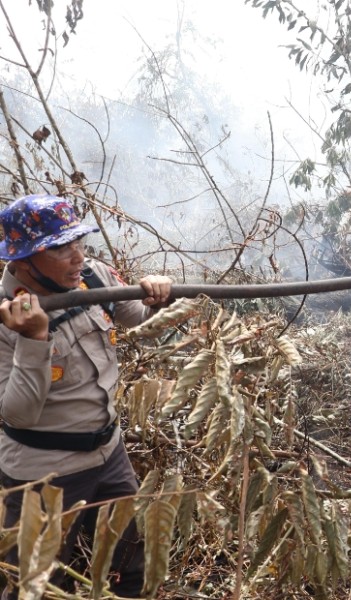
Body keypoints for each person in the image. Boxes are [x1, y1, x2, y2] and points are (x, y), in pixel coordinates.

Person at [0, 194, 173, 598]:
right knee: (34, 586)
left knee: (131, 568)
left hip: (109, 454)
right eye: (62, 248)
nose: (78, 256)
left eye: (78, 241)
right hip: (45, 474)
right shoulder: (7, 318)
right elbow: (18, 415)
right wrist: (34, 340)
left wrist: (160, 296)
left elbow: (140, 320)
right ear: (24, 260)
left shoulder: (93, 277)